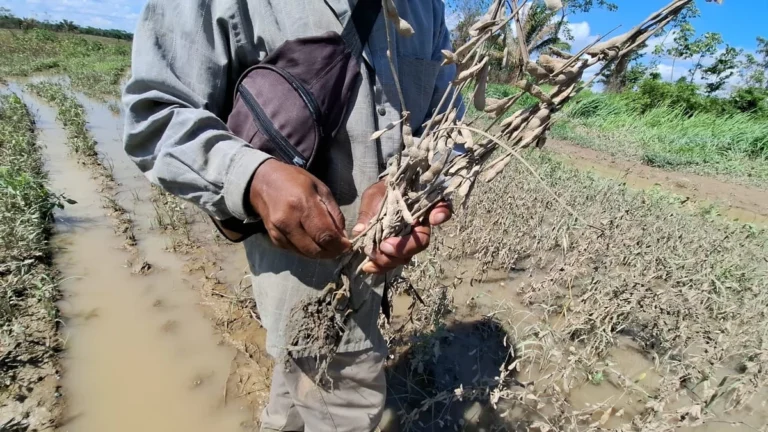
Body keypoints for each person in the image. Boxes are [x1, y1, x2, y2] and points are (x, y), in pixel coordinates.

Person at [122, 1, 459, 430]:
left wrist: (414, 190)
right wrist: (254, 177)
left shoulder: (427, 8)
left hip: (374, 275)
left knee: (293, 391)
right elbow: (154, 115)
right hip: (296, 277)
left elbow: (448, 126)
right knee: (348, 412)